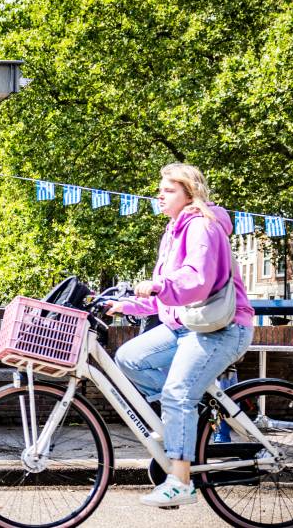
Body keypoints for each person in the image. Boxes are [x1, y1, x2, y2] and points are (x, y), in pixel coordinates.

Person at [108, 163, 254, 507]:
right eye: (160, 188)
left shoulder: (202, 225)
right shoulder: (174, 231)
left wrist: (158, 284)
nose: (160, 194)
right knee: (129, 359)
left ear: (190, 193)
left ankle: (181, 481)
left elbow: (196, 280)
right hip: (187, 327)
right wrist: (125, 305)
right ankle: (184, 421)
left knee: (176, 394)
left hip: (222, 329)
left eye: (169, 189)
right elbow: (167, 300)